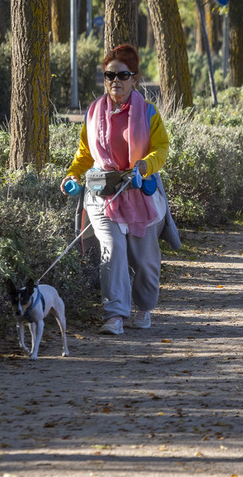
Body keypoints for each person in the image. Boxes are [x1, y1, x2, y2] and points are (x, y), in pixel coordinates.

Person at [61, 44, 170, 334]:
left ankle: (144, 307)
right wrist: (73, 176)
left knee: (146, 262)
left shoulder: (148, 113)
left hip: (139, 192)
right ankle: (114, 315)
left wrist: (144, 166)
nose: (115, 82)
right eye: (109, 76)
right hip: (101, 191)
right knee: (113, 248)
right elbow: (84, 154)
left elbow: (161, 149)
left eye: (122, 75)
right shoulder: (93, 113)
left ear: (135, 78)